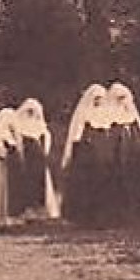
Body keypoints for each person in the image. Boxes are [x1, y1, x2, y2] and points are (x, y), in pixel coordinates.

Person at [61, 84, 112, 227]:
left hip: (103, 154)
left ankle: (101, 219)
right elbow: (76, 135)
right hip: (88, 155)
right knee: (87, 186)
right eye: (96, 98)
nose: (99, 101)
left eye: (101, 98)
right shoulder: (84, 113)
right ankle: (85, 218)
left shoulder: (106, 114)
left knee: (103, 185)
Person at [105, 82, 140, 223]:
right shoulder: (108, 118)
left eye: (124, 99)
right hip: (115, 157)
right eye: (119, 99)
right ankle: (117, 215)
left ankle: (136, 214)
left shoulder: (131, 117)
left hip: (132, 156)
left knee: (134, 183)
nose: (123, 103)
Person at [10, 98, 60, 221]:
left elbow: (46, 140)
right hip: (25, 157)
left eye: (33, 111)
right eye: (29, 111)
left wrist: (44, 151)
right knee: (25, 183)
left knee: (39, 183)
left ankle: (40, 209)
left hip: (38, 160)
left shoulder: (41, 126)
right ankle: (26, 209)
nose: (31, 114)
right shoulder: (18, 125)